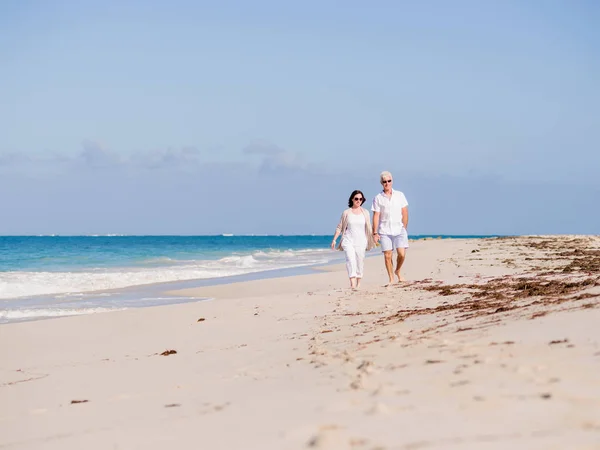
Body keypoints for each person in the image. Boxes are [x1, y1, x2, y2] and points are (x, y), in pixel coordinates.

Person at [331, 190, 376, 290]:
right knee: (350, 260)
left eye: (360, 199)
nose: (358, 201)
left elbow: (369, 227)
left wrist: (375, 235)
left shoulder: (366, 213)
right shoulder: (346, 213)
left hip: (361, 241)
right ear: (352, 199)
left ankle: (359, 283)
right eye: (356, 199)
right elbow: (340, 227)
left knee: (360, 261)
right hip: (348, 240)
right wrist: (334, 239)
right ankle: (352, 283)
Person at [371, 171, 409, 285]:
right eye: (384, 182)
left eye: (389, 181)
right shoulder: (378, 198)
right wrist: (374, 232)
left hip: (399, 228)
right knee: (388, 255)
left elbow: (405, 212)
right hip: (385, 230)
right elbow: (376, 215)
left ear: (392, 181)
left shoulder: (400, 195)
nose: (387, 183)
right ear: (381, 183)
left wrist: (404, 227)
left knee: (401, 254)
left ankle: (397, 270)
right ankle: (391, 278)